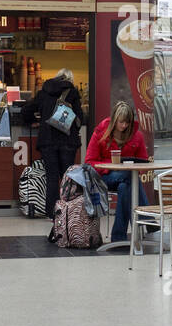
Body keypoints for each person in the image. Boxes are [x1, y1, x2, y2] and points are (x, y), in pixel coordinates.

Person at [23, 69, 86, 219]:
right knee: (67, 177)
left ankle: (51, 213)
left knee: (51, 177)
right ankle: (67, 211)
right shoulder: (72, 93)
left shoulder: (44, 91)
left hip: (48, 140)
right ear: (70, 79)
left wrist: (34, 122)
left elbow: (26, 110)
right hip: (67, 140)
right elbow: (80, 119)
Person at [85, 100, 149, 242]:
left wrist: (136, 166)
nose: (124, 126)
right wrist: (113, 165)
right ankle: (147, 219)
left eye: (127, 123)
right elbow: (89, 162)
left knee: (125, 186)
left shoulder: (137, 136)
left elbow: (143, 162)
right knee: (128, 176)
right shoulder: (100, 133)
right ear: (114, 119)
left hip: (125, 179)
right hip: (102, 178)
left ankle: (118, 237)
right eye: (121, 122)